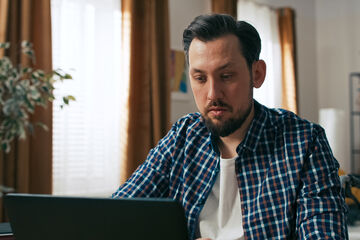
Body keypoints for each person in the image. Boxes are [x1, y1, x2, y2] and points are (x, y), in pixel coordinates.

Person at [112, 14, 348, 240]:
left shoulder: (304, 142)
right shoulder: (182, 137)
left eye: (226, 76)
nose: (213, 94)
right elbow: (115, 217)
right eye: (200, 78)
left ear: (257, 74)